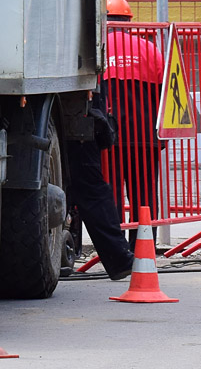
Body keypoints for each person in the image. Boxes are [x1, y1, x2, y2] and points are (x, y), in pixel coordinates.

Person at [103, 0, 165, 247]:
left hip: (109, 137)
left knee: (112, 192)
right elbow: (163, 91)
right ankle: (143, 245)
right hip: (145, 135)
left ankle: (116, 248)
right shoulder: (149, 48)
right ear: (129, 19)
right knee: (144, 194)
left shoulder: (99, 47)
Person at [64, 98, 136, 280]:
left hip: (80, 109)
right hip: (78, 107)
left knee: (86, 185)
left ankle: (119, 257)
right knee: (89, 187)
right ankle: (119, 258)